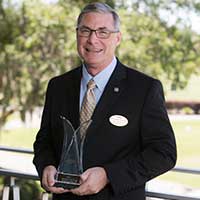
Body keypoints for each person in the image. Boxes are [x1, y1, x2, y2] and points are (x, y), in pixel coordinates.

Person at [33, 2, 177, 200]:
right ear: (77, 34)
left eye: (103, 32)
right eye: (86, 31)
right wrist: (46, 166)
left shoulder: (144, 89)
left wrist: (109, 175)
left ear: (117, 38)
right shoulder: (58, 86)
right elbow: (44, 141)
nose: (93, 39)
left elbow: (164, 154)